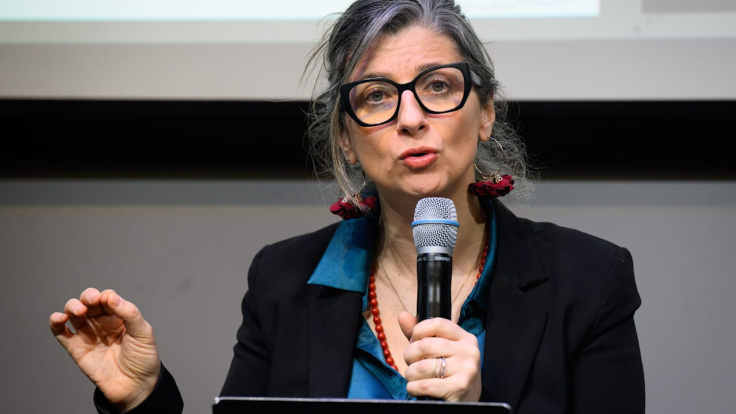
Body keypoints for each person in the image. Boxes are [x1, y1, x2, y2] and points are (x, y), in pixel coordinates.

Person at [49, 1, 645, 413]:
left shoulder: (590, 279)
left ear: (485, 112)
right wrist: (143, 398)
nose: (411, 117)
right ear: (346, 139)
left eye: (438, 86)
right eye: (378, 96)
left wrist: (479, 407)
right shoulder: (284, 281)